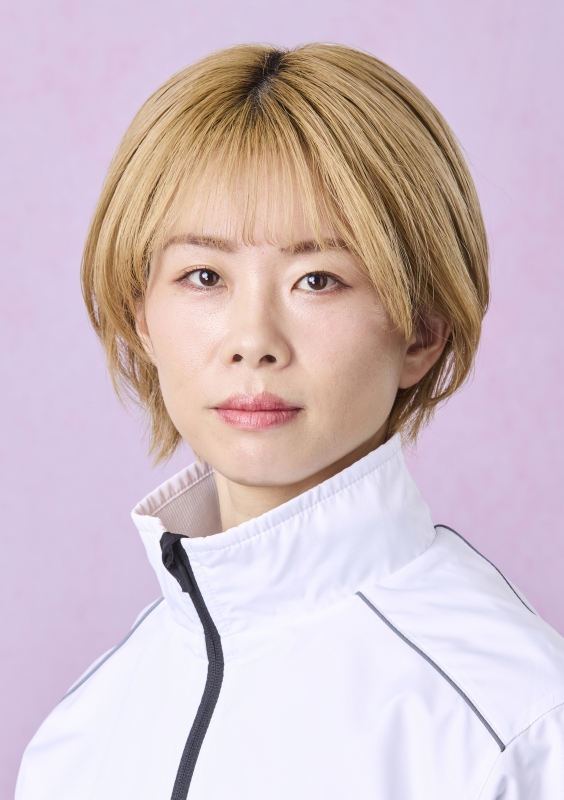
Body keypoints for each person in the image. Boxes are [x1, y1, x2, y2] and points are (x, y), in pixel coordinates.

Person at [16, 43, 564, 800]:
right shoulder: (78, 739)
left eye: (318, 279)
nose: (253, 341)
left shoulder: (516, 728)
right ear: (141, 318)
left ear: (421, 332)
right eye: (203, 276)